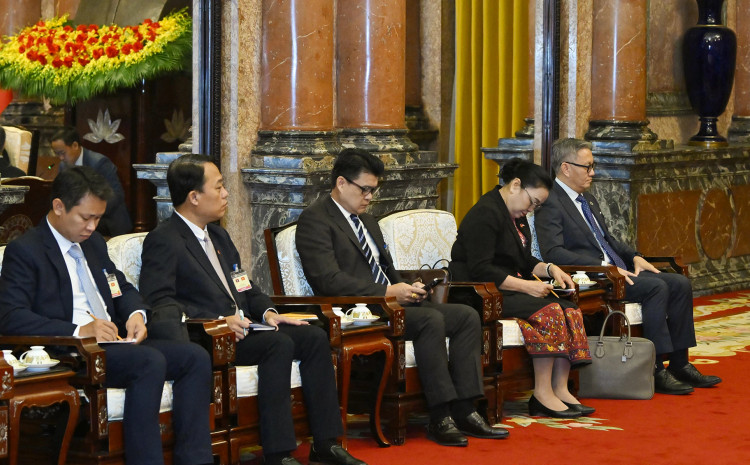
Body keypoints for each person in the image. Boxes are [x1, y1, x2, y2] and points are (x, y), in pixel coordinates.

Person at [0, 166, 238, 465]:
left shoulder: (94, 244)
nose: (92, 227)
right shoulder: (26, 250)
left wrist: (136, 313)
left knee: (193, 357)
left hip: (114, 345)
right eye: (86, 218)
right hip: (69, 352)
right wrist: (80, 329)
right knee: (149, 362)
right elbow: (13, 318)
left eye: (98, 218)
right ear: (59, 206)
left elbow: (121, 288)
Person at [138, 154, 368, 465]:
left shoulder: (218, 236)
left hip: (246, 329)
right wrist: (218, 320)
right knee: (277, 345)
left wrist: (269, 312)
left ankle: (326, 443)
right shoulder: (164, 239)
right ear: (194, 197)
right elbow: (160, 303)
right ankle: (277, 455)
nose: (226, 193)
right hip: (208, 338)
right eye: (219, 187)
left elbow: (245, 286)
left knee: (312, 336)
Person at [296, 148, 508, 446]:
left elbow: (385, 270)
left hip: (390, 304)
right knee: (430, 319)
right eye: (364, 189)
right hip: (357, 311)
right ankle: (440, 416)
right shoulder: (315, 220)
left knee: (465, 315)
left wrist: (408, 287)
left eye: (374, 190)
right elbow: (327, 280)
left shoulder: (367, 221)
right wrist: (388, 292)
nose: (369, 197)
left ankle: (466, 408)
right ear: (341, 183)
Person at [534, 137, 721, 394]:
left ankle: (680, 363)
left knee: (679, 283)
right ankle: (656, 369)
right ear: (566, 168)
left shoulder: (586, 199)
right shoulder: (551, 202)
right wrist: (604, 266)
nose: (593, 172)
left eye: (593, 166)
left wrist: (634, 256)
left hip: (618, 272)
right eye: (587, 167)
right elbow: (553, 252)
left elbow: (607, 240)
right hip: (595, 278)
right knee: (656, 288)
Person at [449, 158, 594, 419]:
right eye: (532, 202)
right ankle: (542, 394)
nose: (531, 209)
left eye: (536, 206)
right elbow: (482, 270)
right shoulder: (486, 213)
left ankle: (560, 388)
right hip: (480, 293)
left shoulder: (517, 216)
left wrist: (550, 269)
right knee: (550, 311)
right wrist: (527, 287)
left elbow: (524, 261)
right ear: (516, 185)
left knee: (570, 309)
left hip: (507, 289)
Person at [50, 127, 132, 237]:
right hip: (79, 219)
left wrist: (89, 212)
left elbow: (117, 195)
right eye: (57, 154)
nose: (61, 158)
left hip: (108, 221)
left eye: (62, 153)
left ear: (75, 145)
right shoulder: (63, 166)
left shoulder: (99, 162)